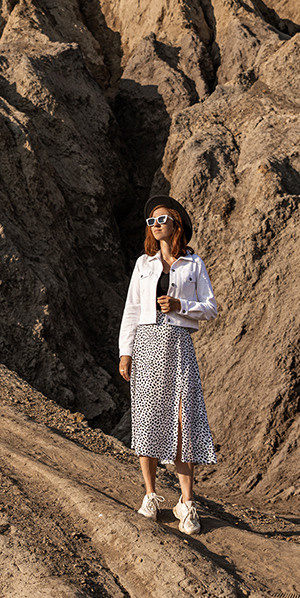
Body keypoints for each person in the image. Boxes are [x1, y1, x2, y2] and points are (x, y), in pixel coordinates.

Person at [118, 195, 218, 535]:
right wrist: (125, 352)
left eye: (162, 219)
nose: (156, 224)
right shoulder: (143, 264)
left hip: (178, 345)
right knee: (147, 418)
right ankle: (150, 495)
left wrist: (180, 305)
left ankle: (186, 503)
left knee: (181, 421)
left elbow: (210, 308)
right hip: (146, 344)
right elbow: (132, 309)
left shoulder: (193, 264)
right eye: (151, 221)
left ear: (176, 225)